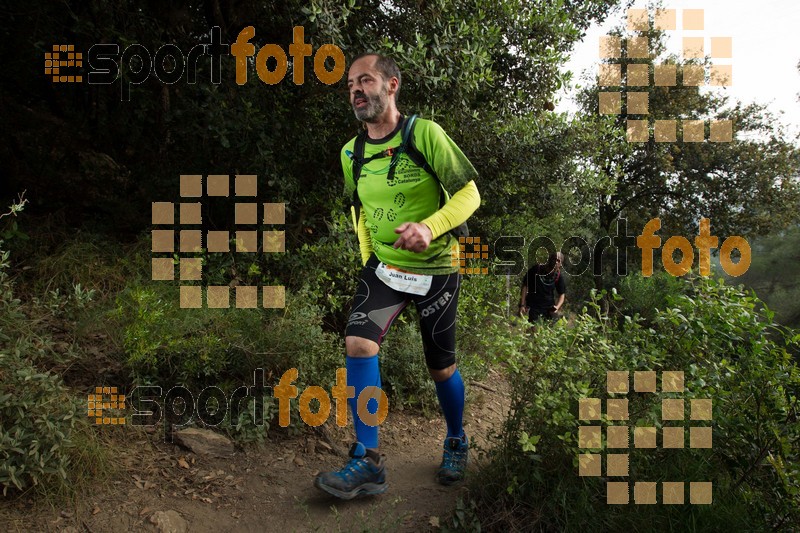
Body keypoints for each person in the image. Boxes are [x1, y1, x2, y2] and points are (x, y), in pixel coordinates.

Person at [313, 53, 481, 500]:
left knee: (441, 368)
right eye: (350, 83)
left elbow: (469, 193)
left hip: (437, 269)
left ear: (392, 85)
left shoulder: (424, 134)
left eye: (365, 80)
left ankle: (456, 439)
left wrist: (429, 228)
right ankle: (367, 460)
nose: (355, 89)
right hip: (385, 270)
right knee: (357, 343)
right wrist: (370, 260)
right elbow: (360, 213)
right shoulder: (352, 153)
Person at [519, 252, 566, 322]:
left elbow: (562, 294)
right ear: (549, 259)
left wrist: (557, 307)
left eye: (558, 261)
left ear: (560, 264)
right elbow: (525, 286)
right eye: (554, 259)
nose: (556, 262)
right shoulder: (536, 269)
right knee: (532, 330)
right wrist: (522, 305)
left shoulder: (558, 276)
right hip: (533, 306)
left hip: (548, 309)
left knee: (547, 331)